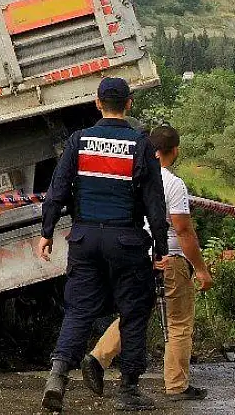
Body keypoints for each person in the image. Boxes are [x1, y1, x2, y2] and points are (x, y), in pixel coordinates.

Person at [37, 77, 169, 412]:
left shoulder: (78, 141)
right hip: (125, 240)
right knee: (134, 310)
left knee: (79, 309)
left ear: (97, 102)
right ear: (129, 104)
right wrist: (161, 249)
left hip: (84, 239)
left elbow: (57, 191)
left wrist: (47, 232)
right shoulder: (140, 144)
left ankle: (58, 375)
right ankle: (128, 389)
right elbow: (155, 203)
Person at [81, 125, 214, 401]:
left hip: (138, 256)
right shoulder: (173, 184)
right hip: (171, 258)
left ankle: (97, 357)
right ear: (175, 150)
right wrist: (200, 268)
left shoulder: (132, 177)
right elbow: (183, 230)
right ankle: (177, 385)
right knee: (178, 322)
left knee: (135, 313)